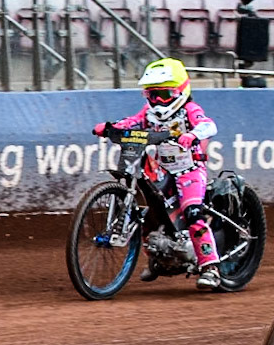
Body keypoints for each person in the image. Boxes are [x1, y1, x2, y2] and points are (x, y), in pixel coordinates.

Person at [92, 58, 223, 290]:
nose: (158, 101)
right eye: (152, 95)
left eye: (164, 94)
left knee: (193, 213)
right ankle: (157, 259)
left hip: (189, 170)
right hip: (163, 169)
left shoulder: (189, 110)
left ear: (180, 91)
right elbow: (133, 122)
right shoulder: (149, 113)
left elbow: (208, 125)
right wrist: (111, 127)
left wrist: (192, 135)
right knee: (149, 214)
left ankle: (210, 267)